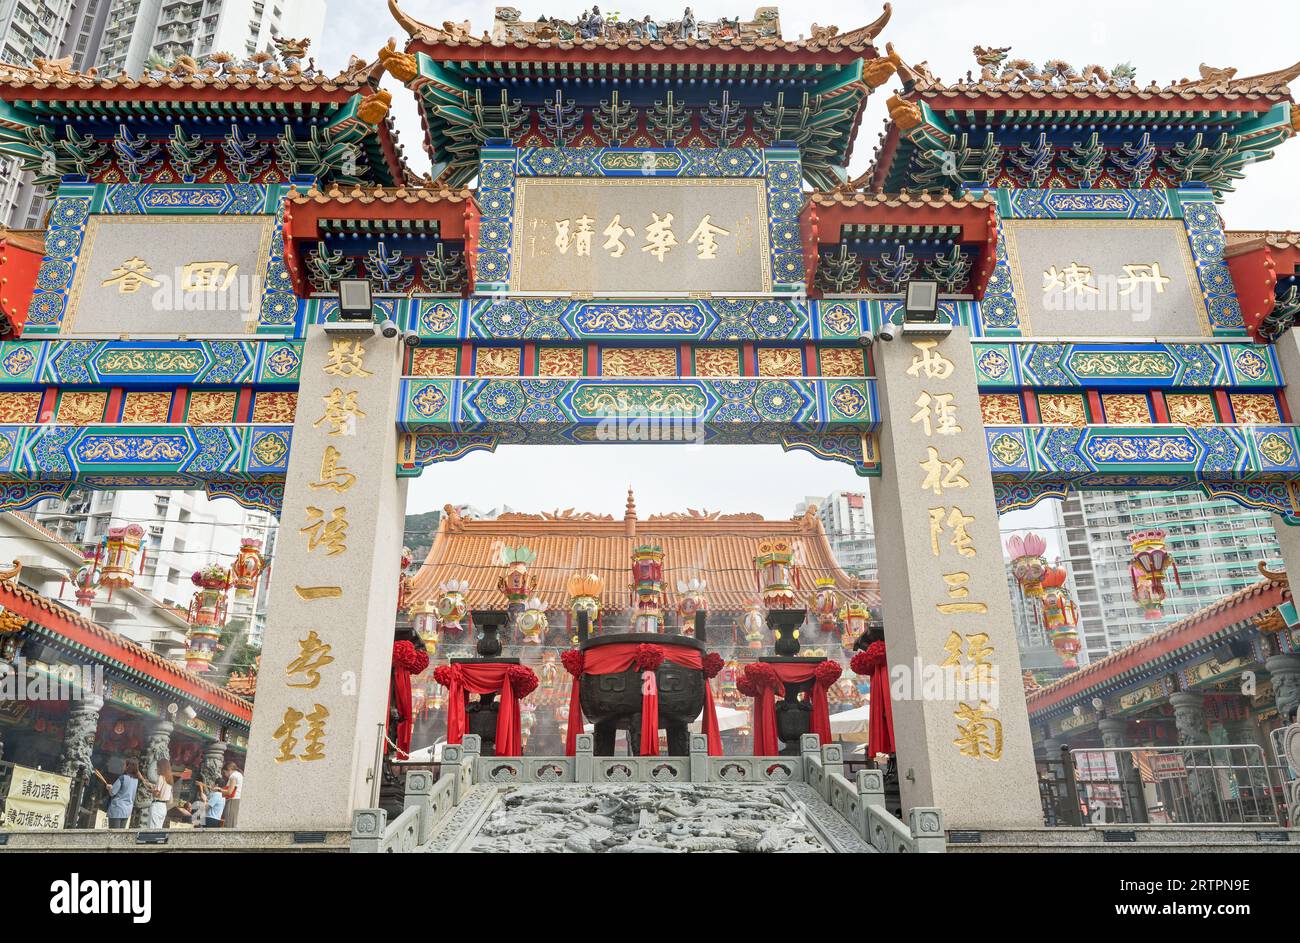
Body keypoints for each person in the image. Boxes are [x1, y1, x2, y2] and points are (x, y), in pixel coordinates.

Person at [103, 759, 140, 829]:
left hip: (117, 808)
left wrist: (109, 788)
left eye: (124, 765)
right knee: (120, 834)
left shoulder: (122, 778)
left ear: (128, 767)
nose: (123, 766)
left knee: (114, 833)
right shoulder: (136, 780)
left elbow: (112, 793)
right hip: (127, 810)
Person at [147, 758, 173, 829]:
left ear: (161, 767)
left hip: (157, 806)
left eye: (157, 766)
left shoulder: (161, 777)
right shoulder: (169, 779)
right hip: (163, 807)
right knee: (159, 829)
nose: (156, 769)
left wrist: (151, 790)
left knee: (152, 829)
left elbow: (157, 793)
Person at [222, 761, 243, 828]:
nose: (225, 775)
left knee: (229, 823)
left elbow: (229, 792)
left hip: (232, 800)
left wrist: (219, 790)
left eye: (224, 773)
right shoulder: (239, 775)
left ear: (229, 769)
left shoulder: (233, 776)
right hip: (237, 800)